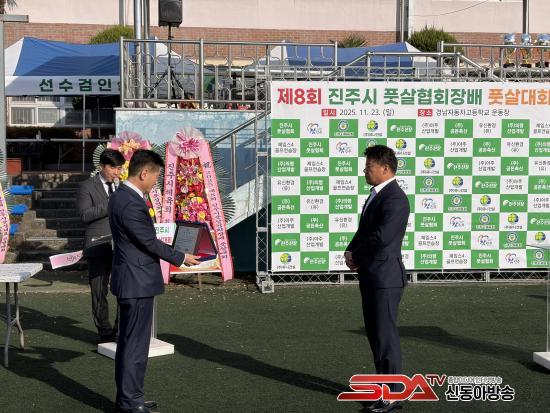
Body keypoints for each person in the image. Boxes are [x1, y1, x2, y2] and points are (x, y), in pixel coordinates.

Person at [109, 149, 200, 413]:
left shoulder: (121, 196)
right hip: (136, 281)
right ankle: (130, 402)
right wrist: (180, 256)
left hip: (132, 279)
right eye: (155, 177)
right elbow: (148, 241)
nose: (155, 183)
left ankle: (129, 398)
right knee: (135, 346)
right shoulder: (129, 201)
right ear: (144, 173)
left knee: (130, 344)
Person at [344, 145, 410, 413]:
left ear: (385, 168)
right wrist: (351, 250)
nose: (364, 171)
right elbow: (365, 230)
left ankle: (393, 395)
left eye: (369, 166)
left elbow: (382, 237)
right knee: (376, 337)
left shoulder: (395, 198)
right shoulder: (376, 195)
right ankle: (384, 391)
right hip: (372, 276)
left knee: (385, 337)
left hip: (385, 278)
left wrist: (357, 256)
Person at [76, 148, 125, 343]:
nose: (117, 173)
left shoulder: (122, 186)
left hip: (121, 245)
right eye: (113, 168)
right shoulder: (86, 186)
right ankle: (104, 333)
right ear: (102, 166)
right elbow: (84, 215)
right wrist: (111, 202)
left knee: (124, 289)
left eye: (119, 169)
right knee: (99, 291)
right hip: (97, 245)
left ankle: (121, 329)